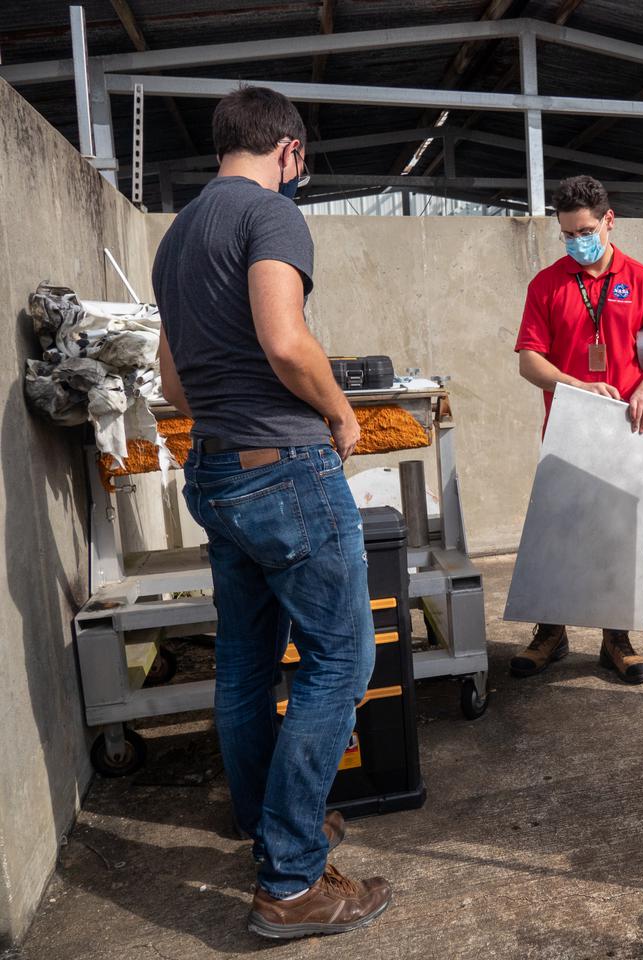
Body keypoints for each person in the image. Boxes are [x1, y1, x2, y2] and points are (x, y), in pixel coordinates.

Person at [151, 86, 390, 940]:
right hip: (283, 467)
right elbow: (287, 342)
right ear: (288, 149)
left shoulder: (175, 238)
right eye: (302, 160)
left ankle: (266, 824)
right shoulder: (271, 216)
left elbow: (173, 385)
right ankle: (291, 880)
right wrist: (339, 412)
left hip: (216, 469)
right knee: (341, 660)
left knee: (247, 664)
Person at [513, 175, 643, 684]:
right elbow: (528, 361)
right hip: (569, 424)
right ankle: (551, 633)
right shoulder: (548, 284)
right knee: (559, 529)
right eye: (567, 234)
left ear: (609, 221)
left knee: (618, 533)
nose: (576, 242)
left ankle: (617, 641)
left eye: (584, 230)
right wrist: (574, 385)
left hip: (629, 427)